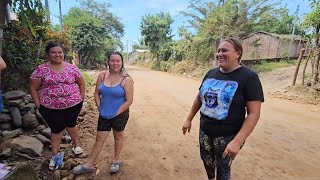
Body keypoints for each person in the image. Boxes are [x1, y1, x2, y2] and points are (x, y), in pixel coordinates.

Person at [182, 38, 264, 180]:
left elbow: (253, 114)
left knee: (223, 168)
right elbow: (199, 98)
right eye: (218, 50)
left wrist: (237, 142)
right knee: (206, 161)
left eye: (224, 50)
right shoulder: (210, 74)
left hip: (228, 136)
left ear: (238, 53)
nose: (219, 53)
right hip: (205, 130)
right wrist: (189, 119)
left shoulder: (249, 78)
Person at [73, 51, 134, 174]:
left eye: (118, 61)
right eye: (113, 60)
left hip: (120, 114)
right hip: (104, 113)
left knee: (118, 136)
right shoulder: (102, 75)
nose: (115, 63)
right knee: (99, 138)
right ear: (108, 61)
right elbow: (96, 93)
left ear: (122, 63)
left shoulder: (126, 80)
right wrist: (99, 107)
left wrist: (115, 113)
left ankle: (116, 161)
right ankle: (89, 164)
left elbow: (129, 101)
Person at [29, 42, 86, 170]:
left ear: (63, 53)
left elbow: (82, 83)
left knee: (71, 124)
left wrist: (81, 97)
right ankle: (55, 155)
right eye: (53, 52)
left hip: (73, 104)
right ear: (48, 54)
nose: (57, 55)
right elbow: (33, 87)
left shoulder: (71, 68)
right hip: (50, 107)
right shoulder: (41, 70)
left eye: (59, 52)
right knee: (56, 129)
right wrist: (37, 103)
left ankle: (76, 145)